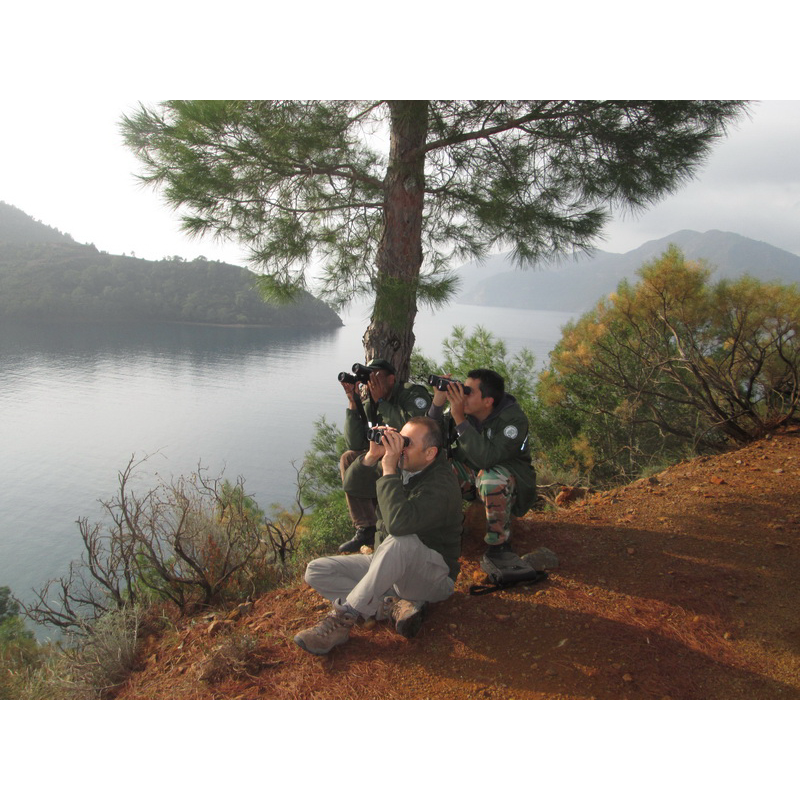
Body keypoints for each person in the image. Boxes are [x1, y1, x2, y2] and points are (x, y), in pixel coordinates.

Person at [294, 416, 462, 656]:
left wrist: (389, 468)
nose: (400, 447)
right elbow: (352, 486)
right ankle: (391, 607)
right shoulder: (405, 467)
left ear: (430, 453)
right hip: (389, 562)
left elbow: (398, 525)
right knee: (317, 570)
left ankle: (344, 618)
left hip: (433, 577)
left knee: (401, 540)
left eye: (407, 443)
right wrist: (373, 456)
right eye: (400, 439)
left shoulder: (441, 484)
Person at [427, 368, 537, 565]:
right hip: (473, 476)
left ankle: (499, 547)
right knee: (430, 463)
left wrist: (459, 419)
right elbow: (430, 438)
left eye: (468, 392)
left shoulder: (513, 420)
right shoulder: (466, 412)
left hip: (509, 484)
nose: (463, 396)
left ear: (488, 401)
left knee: (490, 478)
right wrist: (437, 402)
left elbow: (488, 459)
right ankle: (436, 530)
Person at [337, 357, 432, 553]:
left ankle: (388, 523)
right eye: (369, 376)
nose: (372, 381)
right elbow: (354, 442)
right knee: (349, 457)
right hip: (388, 455)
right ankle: (366, 528)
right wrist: (353, 401)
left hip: (412, 456)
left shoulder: (411, 393)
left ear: (391, 379)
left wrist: (381, 401)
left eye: (377, 376)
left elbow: (413, 430)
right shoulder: (372, 400)